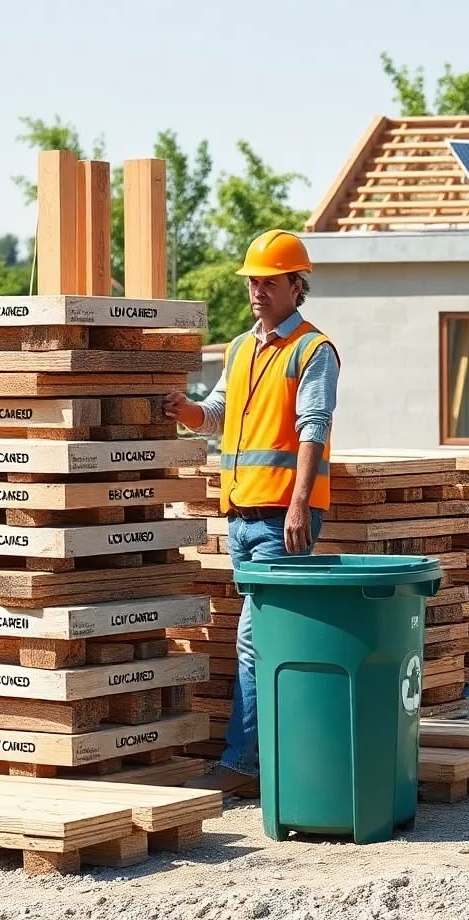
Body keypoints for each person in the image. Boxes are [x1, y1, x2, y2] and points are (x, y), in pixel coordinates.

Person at [164, 229, 340, 796]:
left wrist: (299, 504)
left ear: (297, 286)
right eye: (252, 283)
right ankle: (277, 761)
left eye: (269, 283)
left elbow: (314, 429)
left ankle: (244, 765)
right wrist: (187, 412)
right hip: (240, 515)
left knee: (254, 641)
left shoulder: (313, 350)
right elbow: (218, 412)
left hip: (280, 519)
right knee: (267, 641)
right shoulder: (240, 348)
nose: (257, 292)